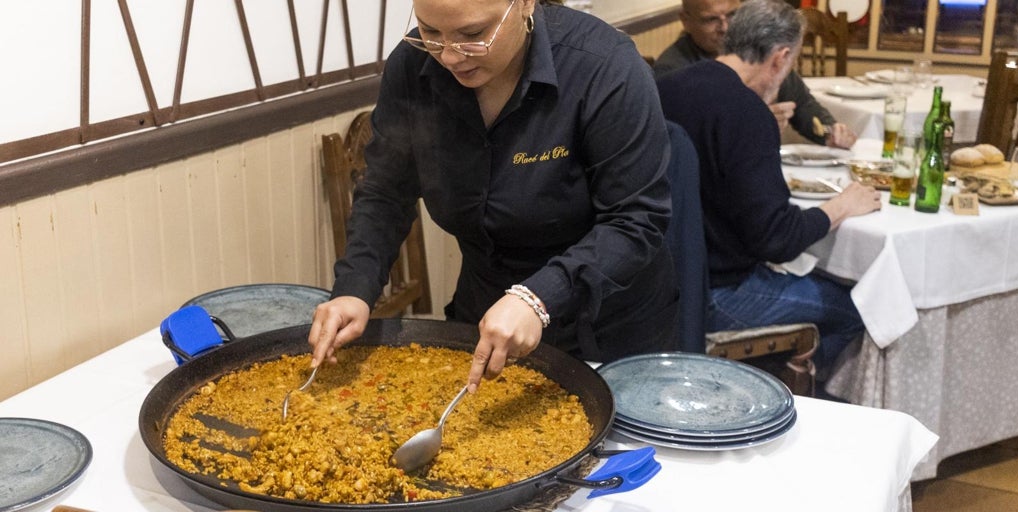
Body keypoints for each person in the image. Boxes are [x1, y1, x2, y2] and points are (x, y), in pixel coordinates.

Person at [308, 0, 678, 394]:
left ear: (523, 5)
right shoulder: (413, 67)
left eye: (472, 35)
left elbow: (636, 219)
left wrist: (539, 298)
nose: (449, 55)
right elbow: (385, 192)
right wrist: (355, 287)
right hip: (483, 311)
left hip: (607, 327)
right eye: (430, 31)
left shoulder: (604, 67)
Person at [656, 0, 880, 375]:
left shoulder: (667, 86)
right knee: (864, 309)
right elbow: (774, 238)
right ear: (780, 57)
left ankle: (786, 371)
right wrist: (841, 206)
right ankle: (803, 399)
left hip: (663, 286)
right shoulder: (747, 112)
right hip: (717, 294)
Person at [653, 0, 857, 149]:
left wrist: (831, 132)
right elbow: (682, 144)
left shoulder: (759, 53)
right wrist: (756, 124)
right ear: (685, 21)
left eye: (732, 15)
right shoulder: (672, 72)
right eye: (711, 20)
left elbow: (802, 103)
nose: (724, 27)